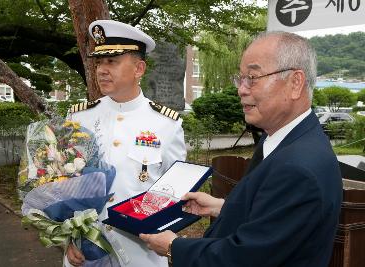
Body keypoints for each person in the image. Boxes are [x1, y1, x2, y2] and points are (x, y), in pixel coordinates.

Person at [140, 31, 342, 267]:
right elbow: (277, 216)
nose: (241, 89)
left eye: (253, 77)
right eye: (241, 78)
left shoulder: (299, 168)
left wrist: (174, 247)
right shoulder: (285, 140)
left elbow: (246, 257)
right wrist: (222, 207)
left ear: (295, 83)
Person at [66, 20, 186, 267]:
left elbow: (175, 192)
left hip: (140, 253)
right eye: (99, 62)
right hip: (83, 253)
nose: (101, 69)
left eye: (112, 61)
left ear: (139, 68)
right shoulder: (78, 118)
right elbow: (63, 185)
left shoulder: (166, 124)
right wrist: (65, 238)